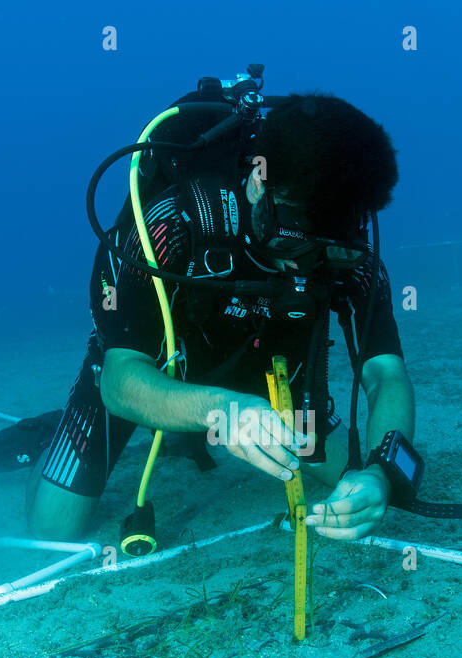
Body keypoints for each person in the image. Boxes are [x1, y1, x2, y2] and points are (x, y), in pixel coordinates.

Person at [26, 93, 415, 544]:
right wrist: (222, 410)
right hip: (153, 372)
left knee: (354, 481)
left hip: (269, 385)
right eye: (293, 244)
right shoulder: (174, 224)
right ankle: (42, 435)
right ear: (256, 182)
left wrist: (381, 476)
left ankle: (210, 423)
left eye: (329, 251)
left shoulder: (356, 261)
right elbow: (120, 378)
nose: (304, 267)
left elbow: (384, 372)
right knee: (50, 529)